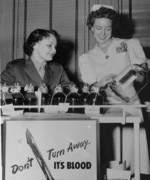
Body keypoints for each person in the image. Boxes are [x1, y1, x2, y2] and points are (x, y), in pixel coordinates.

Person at [79, 4, 150, 176]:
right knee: (110, 163)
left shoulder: (128, 45)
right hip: (105, 112)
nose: (102, 33)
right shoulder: (86, 58)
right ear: (90, 27)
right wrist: (100, 85)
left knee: (134, 163)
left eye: (107, 28)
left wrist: (133, 73)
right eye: (98, 28)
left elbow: (143, 79)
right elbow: (89, 91)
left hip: (131, 108)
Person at [0, 29, 70, 92]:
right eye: (49, 45)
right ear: (35, 44)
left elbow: (69, 92)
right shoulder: (15, 68)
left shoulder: (58, 69)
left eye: (55, 46)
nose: (54, 50)